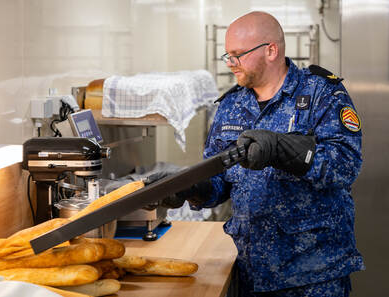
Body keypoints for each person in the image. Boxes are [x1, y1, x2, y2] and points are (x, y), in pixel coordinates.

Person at [149, 11, 365, 297]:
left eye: (237, 54)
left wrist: (281, 149)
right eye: (228, 54)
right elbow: (219, 180)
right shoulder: (231, 104)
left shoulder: (321, 93)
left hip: (313, 276)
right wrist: (190, 187)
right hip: (249, 271)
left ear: (271, 50)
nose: (230, 63)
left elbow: (345, 165)